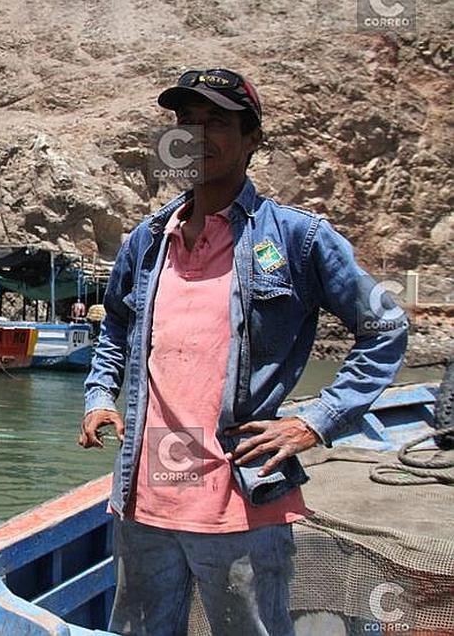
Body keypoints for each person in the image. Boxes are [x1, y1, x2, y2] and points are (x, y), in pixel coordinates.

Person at [79, 68, 408, 635]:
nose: (196, 134)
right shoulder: (147, 239)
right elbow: (115, 327)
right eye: (185, 122)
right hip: (143, 501)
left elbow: (384, 326)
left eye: (216, 122)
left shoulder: (297, 238)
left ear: (252, 138)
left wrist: (316, 421)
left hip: (241, 502)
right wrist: (99, 395)